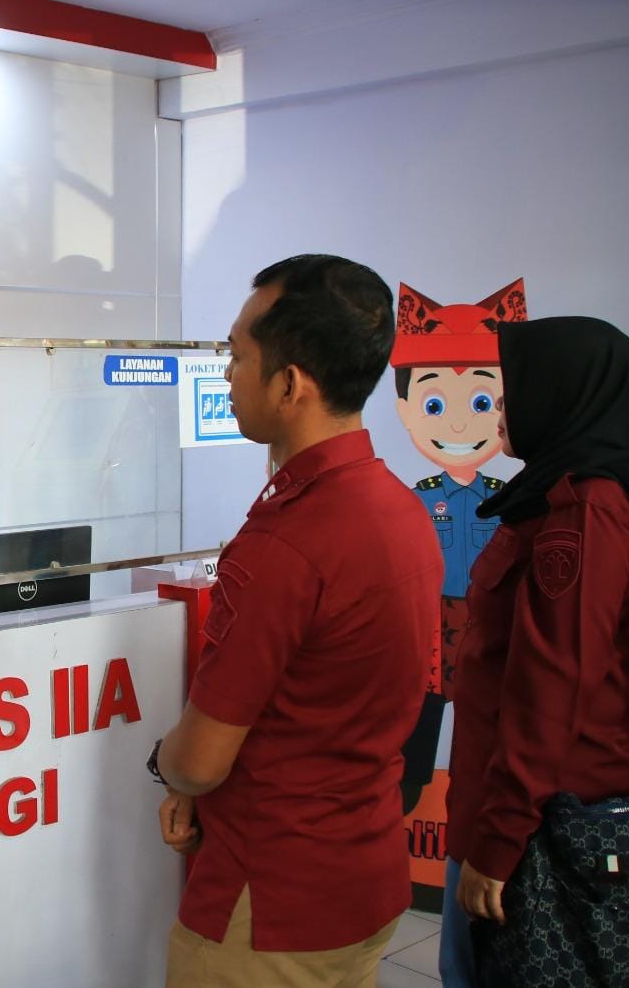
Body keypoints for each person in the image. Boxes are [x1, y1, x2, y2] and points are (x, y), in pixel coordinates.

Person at [151, 254, 443, 987]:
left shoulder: (286, 543)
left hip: (271, 905)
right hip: (366, 877)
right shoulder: (401, 509)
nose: (226, 377)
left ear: (290, 385)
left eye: (237, 356)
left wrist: (168, 765)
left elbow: (200, 760)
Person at [447, 316, 629, 986]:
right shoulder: (555, 495)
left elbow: (551, 691)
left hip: (541, 831)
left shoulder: (587, 511)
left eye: (516, 388)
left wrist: (497, 842)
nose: (502, 406)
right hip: (512, 811)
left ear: (566, 392)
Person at [389, 279, 527, 988]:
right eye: (437, 404)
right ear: (407, 409)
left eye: (483, 402)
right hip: (428, 629)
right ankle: (391, 854)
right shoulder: (418, 501)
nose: (462, 423)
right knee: (412, 746)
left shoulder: (512, 502)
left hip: (486, 624)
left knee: (485, 748)